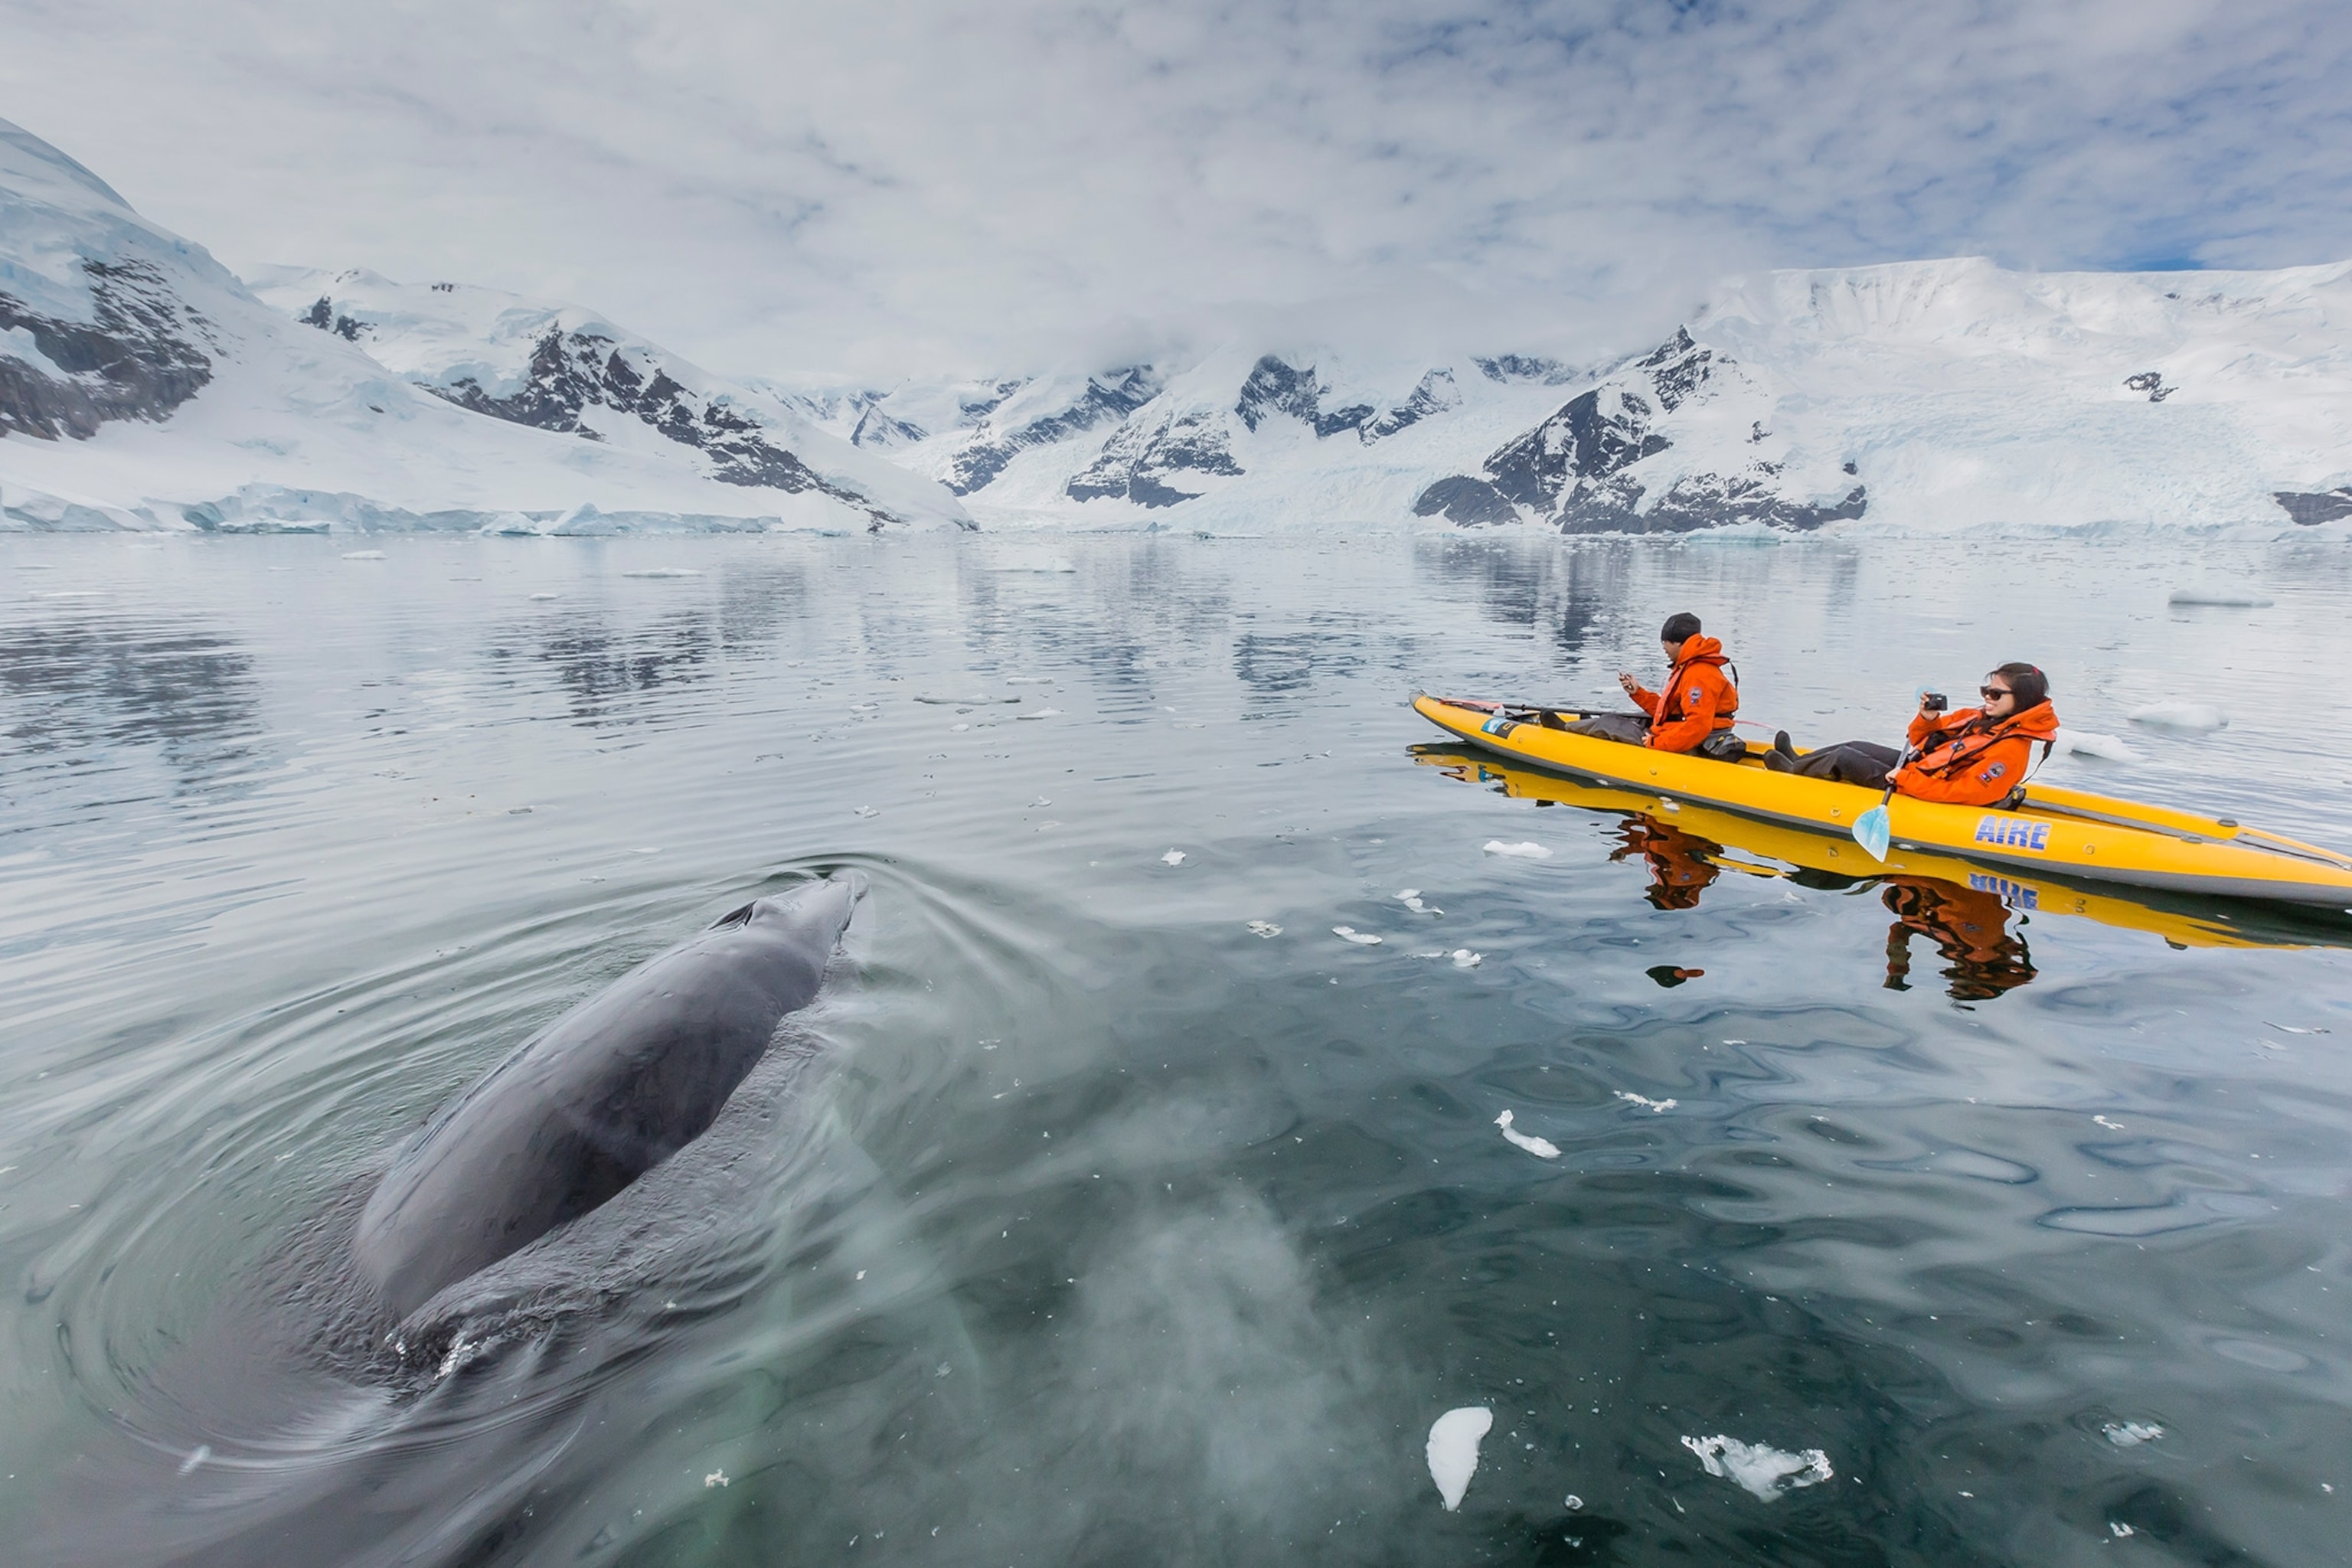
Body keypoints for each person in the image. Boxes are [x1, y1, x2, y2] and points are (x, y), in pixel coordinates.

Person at [1764, 663, 2059, 806]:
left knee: (1846, 758)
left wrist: (1904, 778)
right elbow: (1921, 738)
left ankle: (1794, 771)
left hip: (1919, 787)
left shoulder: (2010, 750)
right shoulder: (1979, 717)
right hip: (1920, 772)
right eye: (1986, 690)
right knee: (1854, 745)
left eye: (1996, 693)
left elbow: (1965, 793)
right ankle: (1802, 761)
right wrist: (1927, 719)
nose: (1987, 698)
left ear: (2021, 700)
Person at [1566, 612, 1743, 760]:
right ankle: (1585, 726)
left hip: (1700, 742)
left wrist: (1656, 744)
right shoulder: (1691, 668)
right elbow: (1669, 711)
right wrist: (1638, 693)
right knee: (1641, 718)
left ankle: (1565, 731)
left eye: (1665, 642)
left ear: (1678, 643)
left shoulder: (1698, 674)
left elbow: (1698, 726)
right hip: (1691, 734)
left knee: (1610, 723)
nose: (1664, 648)